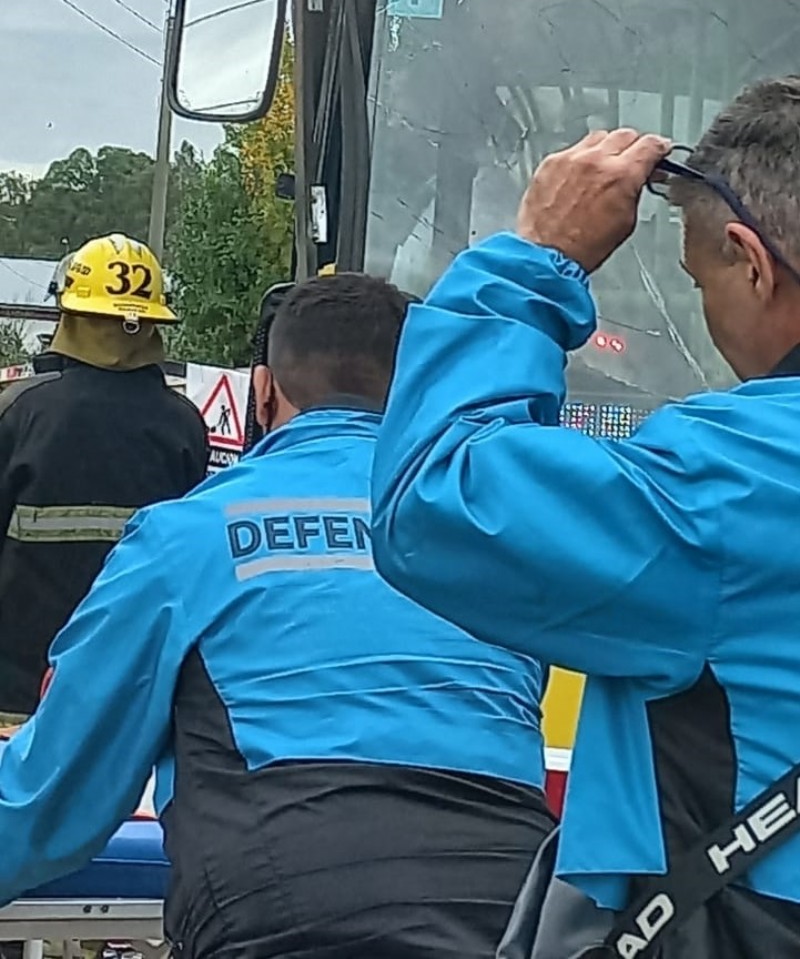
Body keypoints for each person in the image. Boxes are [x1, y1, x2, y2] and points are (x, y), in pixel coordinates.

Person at [0, 272, 553, 959]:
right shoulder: (491, 540)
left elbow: (54, 792)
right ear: (418, 390)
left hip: (284, 906)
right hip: (515, 910)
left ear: (262, 390)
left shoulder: (188, 535)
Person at [371, 77, 800, 958]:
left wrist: (533, 256)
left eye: (699, 282)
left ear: (752, 264)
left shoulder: (735, 478)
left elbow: (433, 496)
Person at [0, 233, 208, 727]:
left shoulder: (20, 412)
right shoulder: (184, 425)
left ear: (69, 316)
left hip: (16, 692)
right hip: (131, 696)